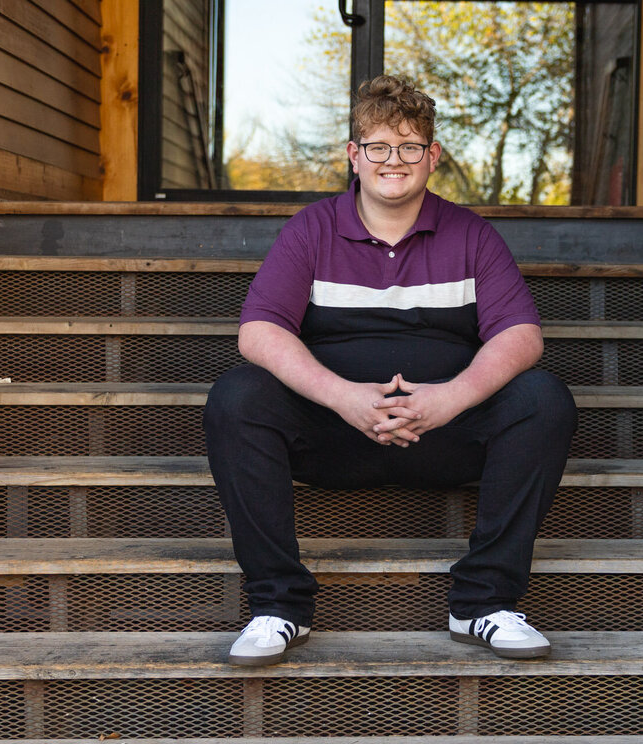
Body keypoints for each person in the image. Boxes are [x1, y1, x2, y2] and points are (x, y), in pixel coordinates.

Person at [204, 75, 577, 666]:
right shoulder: (312, 230)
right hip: (334, 433)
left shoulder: (472, 235)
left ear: (433, 157)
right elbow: (258, 332)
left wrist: (450, 399)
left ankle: (483, 602)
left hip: (445, 435)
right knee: (237, 397)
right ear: (354, 157)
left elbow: (521, 336)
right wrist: (342, 398)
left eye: (409, 147)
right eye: (378, 146)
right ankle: (279, 606)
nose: (393, 161)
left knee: (543, 398)